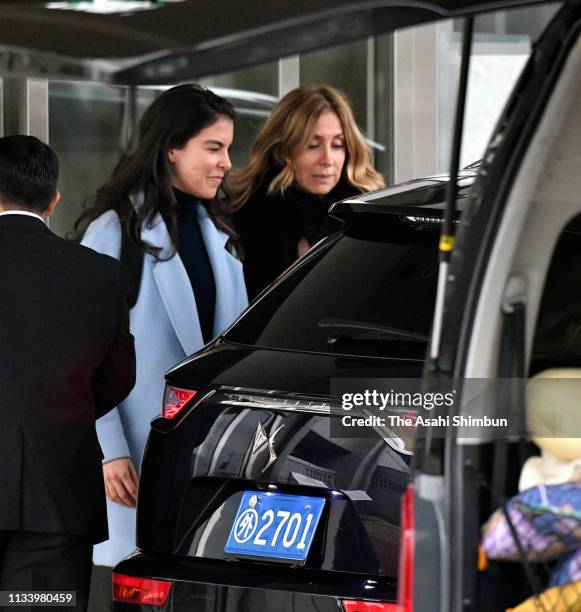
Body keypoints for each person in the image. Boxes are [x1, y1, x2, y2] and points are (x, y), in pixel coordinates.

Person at [75, 84, 248, 608]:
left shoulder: (218, 231)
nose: (226, 163)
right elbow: (84, 355)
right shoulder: (116, 231)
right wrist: (110, 452)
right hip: (133, 457)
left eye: (228, 148)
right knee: (135, 585)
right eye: (213, 148)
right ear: (172, 146)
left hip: (206, 455)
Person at [0, 135, 135, 610]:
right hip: (58, 495)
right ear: (53, 200)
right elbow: (118, 376)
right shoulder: (98, 275)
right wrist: (64, 407)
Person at [231, 84, 385, 299]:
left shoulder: (369, 217)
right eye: (313, 145)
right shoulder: (247, 215)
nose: (327, 160)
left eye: (338, 145)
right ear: (283, 150)